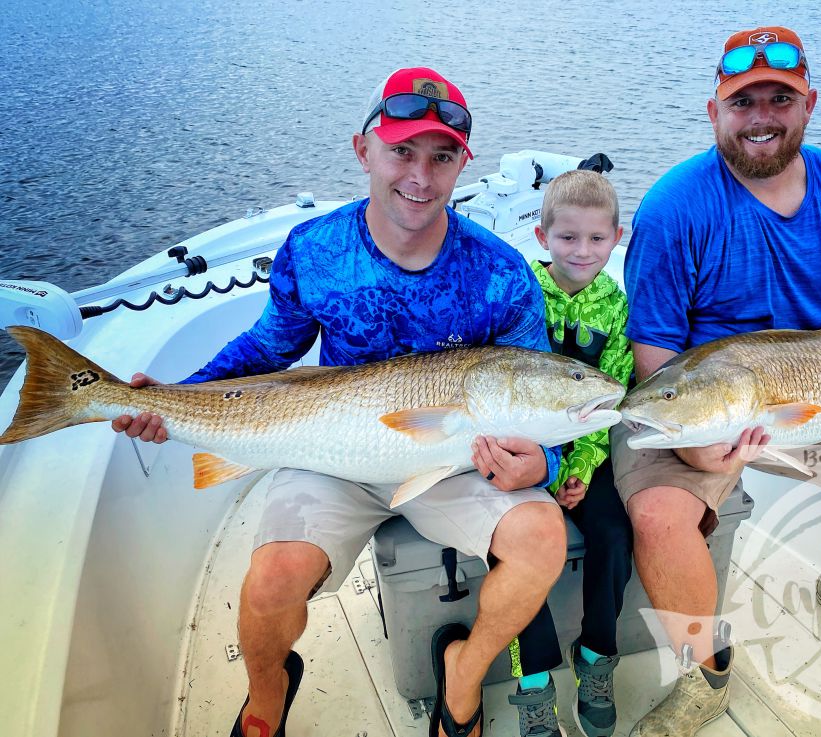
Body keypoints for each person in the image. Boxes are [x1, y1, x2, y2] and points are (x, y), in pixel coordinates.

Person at [113, 66, 568, 737]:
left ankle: (462, 678)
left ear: (462, 164)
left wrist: (544, 466)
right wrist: (181, 396)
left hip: (454, 457)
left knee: (542, 538)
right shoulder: (316, 249)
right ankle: (269, 693)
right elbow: (269, 347)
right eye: (402, 151)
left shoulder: (502, 273)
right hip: (332, 450)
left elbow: (538, 394)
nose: (420, 175)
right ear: (364, 151)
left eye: (442, 157)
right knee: (268, 581)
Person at [612, 27, 821, 736]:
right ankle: (706, 673)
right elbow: (654, 357)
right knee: (658, 516)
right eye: (743, 102)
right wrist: (703, 449)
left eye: (780, 99)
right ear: (715, 112)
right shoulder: (674, 206)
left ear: (809, 106)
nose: (762, 116)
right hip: (707, 403)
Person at [504, 170, 634, 737]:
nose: (582, 251)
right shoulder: (520, 292)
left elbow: (611, 400)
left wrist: (577, 471)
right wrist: (535, 466)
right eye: (567, 238)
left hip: (585, 455)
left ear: (617, 238)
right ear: (542, 237)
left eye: (596, 239)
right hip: (518, 456)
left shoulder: (619, 309)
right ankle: (533, 683)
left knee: (612, 532)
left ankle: (596, 657)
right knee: (513, 549)